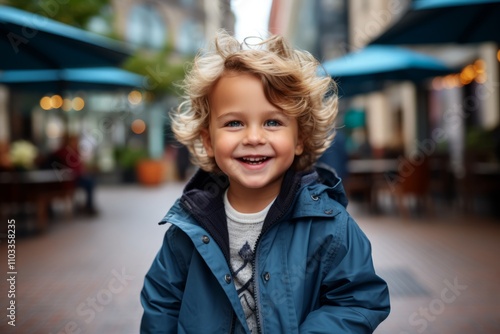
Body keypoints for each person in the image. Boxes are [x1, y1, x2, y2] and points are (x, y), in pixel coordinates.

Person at [140, 30, 390, 333]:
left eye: (273, 122)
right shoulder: (188, 229)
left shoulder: (329, 224)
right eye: (234, 123)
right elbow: (161, 304)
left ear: (299, 139)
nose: (254, 137)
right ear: (208, 140)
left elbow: (358, 299)